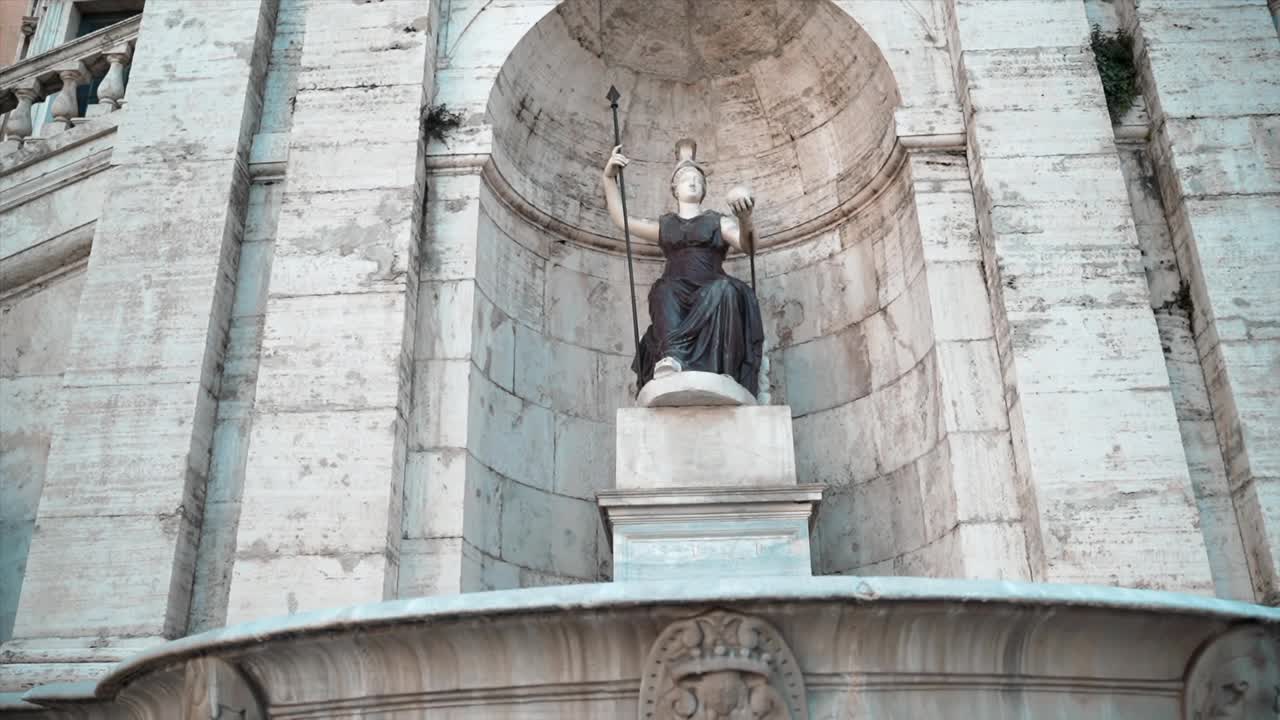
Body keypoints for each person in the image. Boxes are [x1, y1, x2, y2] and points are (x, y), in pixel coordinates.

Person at [602, 139, 764, 395]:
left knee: (725, 291)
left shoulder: (716, 221)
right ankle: (672, 358)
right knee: (662, 290)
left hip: (711, 285)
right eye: (686, 178)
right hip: (675, 289)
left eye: (698, 180)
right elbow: (622, 220)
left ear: (704, 189)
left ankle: (724, 369)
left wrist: (745, 220)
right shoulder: (666, 224)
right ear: (674, 189)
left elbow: (749, 247)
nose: (692, 182)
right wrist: (609, 178)